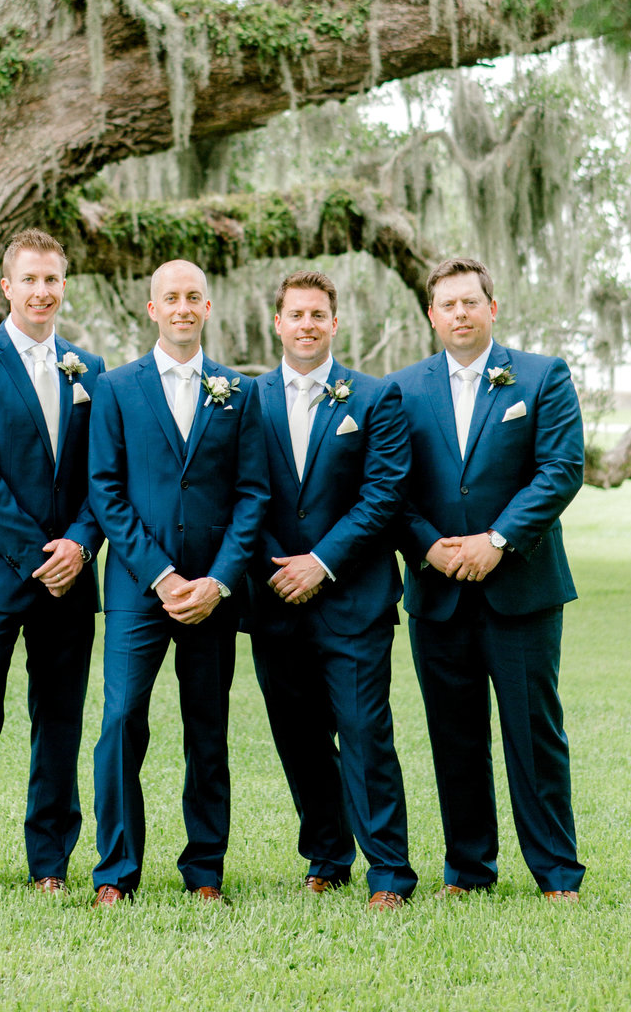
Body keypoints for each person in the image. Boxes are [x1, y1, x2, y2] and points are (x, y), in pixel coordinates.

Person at [393, 256, 586, 900]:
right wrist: (430, 548)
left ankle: (557, 872)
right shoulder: (402, 390)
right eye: (447, 305)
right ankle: (469, 871)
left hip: (521, 591)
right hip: (437, 592)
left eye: (471, 302)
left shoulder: (541, 376)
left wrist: (496, 541)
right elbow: (390, 488)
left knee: (534, 735)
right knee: (454, 737)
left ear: (492, 307)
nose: (460, 313)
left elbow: (560, 469)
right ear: (431, 315)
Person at [88, 259, 269, 906]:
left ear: (209, 307)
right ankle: (115, 871)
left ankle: (205, 871)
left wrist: (218, 581)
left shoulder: (238, 392)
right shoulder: (115, 387)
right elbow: (105, 490)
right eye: (172, 297)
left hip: (213, 596)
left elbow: (253, 496)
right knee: (120, 721)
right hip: (140, 589)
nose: (184, 306)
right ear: (152, 308)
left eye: (195, 296)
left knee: (207, 728)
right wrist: (161, 576)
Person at [0, 229, 104, 901]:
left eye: (52, 280)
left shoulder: (88, 368)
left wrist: (81, 545)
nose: (41, 291)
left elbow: (104, 475)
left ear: (64, 287)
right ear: (6, 287)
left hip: (72, 570)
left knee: (59, 716)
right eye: (29, 280)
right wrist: (43, 556)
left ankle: (50, 864)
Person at [247, 270, 416, 908]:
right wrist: (274, 565)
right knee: (298, 733)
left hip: (352, 597)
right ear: (278, 323)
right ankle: (327, 853)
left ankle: (391, 873)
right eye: (296, 314)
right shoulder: (245, 397)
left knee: (364, 729)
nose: (307, 324)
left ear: (335, 324)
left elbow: (383, 496)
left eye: (319, 314)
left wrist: (320, 562)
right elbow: (242, 496)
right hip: (273, 597)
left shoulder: (374, 399)